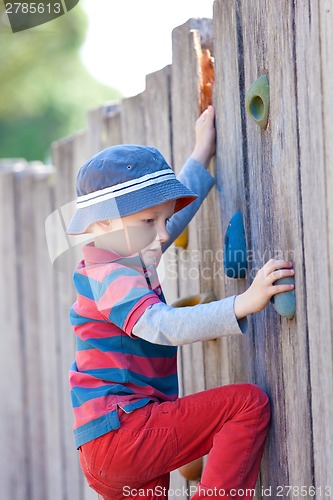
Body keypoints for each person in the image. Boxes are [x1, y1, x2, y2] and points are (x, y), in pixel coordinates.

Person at [67, 105, 295, 499]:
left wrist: (200, 153)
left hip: (105, 450)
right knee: (246, 405)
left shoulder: (119, 253)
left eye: (161, 219)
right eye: (147, 223)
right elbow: (162, 325)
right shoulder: (111, 277)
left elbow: (166, 224)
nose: (160, 234)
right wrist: (243, 303)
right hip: (125, 434)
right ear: (101, 224)